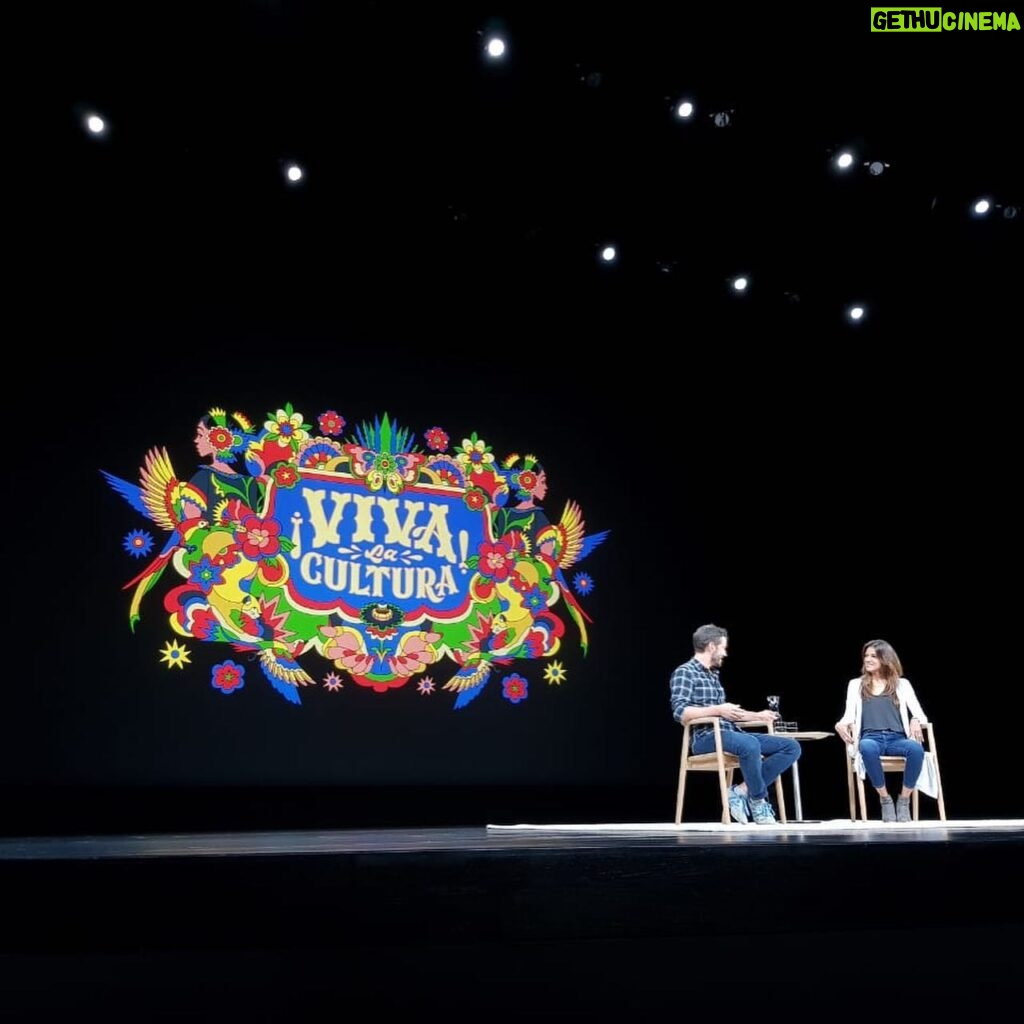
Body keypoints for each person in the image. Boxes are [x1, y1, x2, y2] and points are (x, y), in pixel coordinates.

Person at [669, 624, 801, 824]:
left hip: (731, 733)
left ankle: (740, 791)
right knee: (749, 745)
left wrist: (758, 716)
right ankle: (758, 801)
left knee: (791, 746)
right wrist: (718, 710)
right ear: (712, 646)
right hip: (705, 738)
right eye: (723, 647)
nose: (725, 653)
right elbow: (681, 712)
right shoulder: (684, 672)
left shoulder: (713, 675)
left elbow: (729, 713)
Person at [835, 639, 928, 823]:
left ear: (885, 659)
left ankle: (904, 799)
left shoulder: (902, 684)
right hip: (872, 737)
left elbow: (921, 715)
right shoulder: (856, 684)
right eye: (866, 655)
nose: (867, 659)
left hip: (897, 738)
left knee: (916, 750)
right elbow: (848, 715)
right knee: (866, 747)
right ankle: (885, 799)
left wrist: (916, 719)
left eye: (873, 656)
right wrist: (840, 723)